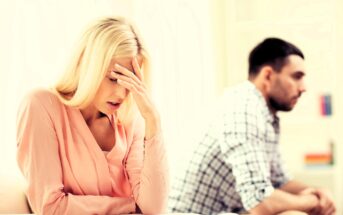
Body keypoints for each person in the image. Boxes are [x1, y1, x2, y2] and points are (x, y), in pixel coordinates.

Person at [16, 17, 169, 215]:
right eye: (114, 79)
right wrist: (130, 207)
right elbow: (49, 207)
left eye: (130, 83)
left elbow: (153, 209)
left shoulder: (131, 121)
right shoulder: (40, 106)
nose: (121, 94)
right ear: (85, 64)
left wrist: (153, 120)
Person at [168, 38, 335, 215]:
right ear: (268, 75)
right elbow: (260, 202)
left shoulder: (265, 114)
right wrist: (312, 201)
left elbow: (280, 181)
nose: (303, 88)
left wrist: (319, 192)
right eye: (297, 77)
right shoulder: (243, 109)